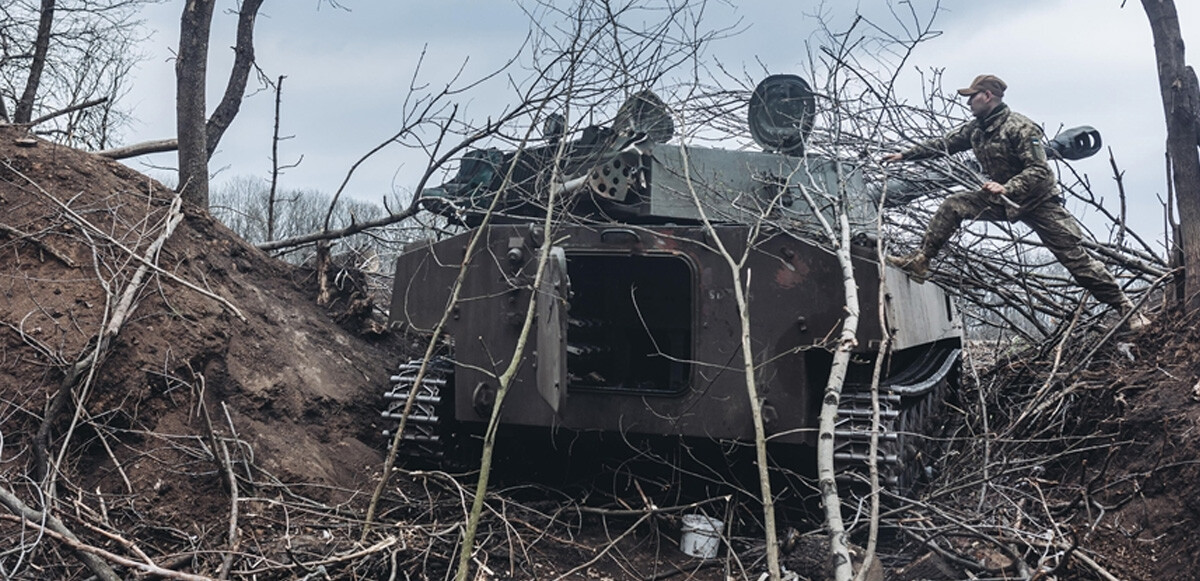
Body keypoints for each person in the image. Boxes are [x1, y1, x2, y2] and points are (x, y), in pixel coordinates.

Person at [882, 74, 1149, 331]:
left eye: (972, 96)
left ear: (988, 96)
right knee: (954, 205)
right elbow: (944, 144)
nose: (967, 102)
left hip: (1038, 201)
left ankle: (1127, 309)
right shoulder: (977, 129)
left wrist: (1006, 186)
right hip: (1002, 200)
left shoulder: (1021, 127)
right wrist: (905, 155)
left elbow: (1039, 170)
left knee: (1077, 262)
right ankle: (921, 261)